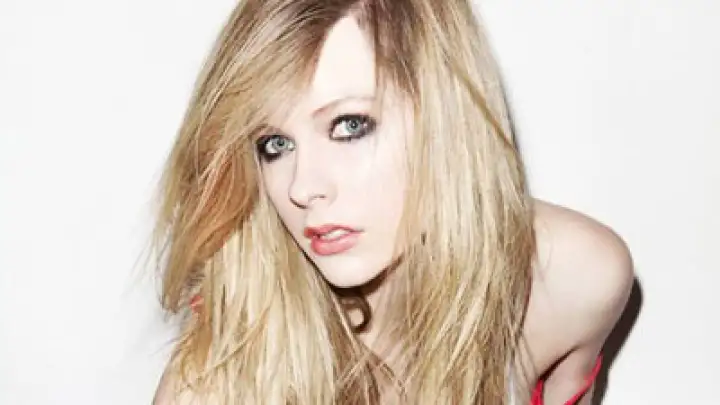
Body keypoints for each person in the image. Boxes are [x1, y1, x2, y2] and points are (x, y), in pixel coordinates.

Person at [151, 0, 633, 404]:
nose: (302, 187)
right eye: (274, 144)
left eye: (349, 125)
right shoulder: (218, 381)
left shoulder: (572, 279)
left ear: (444, 117)